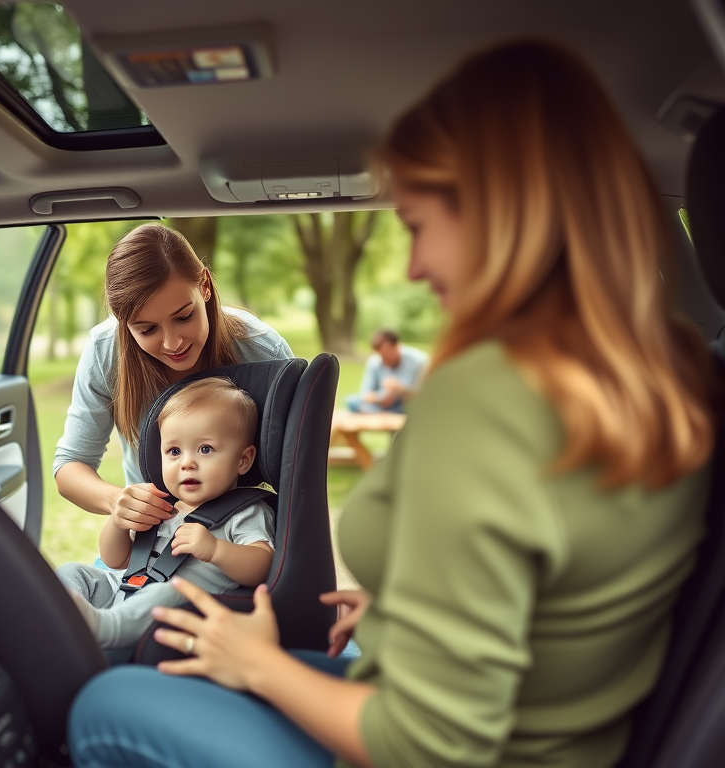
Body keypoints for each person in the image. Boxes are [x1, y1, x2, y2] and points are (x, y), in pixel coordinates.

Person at [66, 39, 715, 768]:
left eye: (418, 225)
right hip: (521, 727)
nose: (412, 265)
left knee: (103, 707)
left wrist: (260, 665)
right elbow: (556, 603)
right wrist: (404, 619)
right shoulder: (661, 380)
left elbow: (434, 743)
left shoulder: (496, 401)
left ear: (503, 213)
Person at [52, 224, 293, 539]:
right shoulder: (105, 351)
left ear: (204, 285)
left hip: (242, 537)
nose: (172, 343)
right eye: (147, 329)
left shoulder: (262, 350)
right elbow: (71, 466)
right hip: (155, 538)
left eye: (183, 317)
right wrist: (115, 501)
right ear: (123, 321)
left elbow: (298, 464)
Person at [56, 377, 275, 650]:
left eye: (205, 449)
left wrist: (215, 549)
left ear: (243, 460)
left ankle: (106, 631)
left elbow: (263, 565)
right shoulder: (161, 506)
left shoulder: (245, 512)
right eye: (174, 451)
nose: (187, 463)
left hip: (177, 611)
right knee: (74, 572)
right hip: (123, 591)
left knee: (169, 593)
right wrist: (118, 522)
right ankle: (58, 615)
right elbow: (115, 560)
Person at [345, 328, 428, 414]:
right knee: (352, 401)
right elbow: (365, 393)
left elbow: (422, 395)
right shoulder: (375, 362)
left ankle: (380, 414)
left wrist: (400, 389)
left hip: (406, 403)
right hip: (379, 404)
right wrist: (378, 399)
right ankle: (385, 414)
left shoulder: (418, 361)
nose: (385, 360)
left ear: (398, 346)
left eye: (387, 354)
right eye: (382, 356)